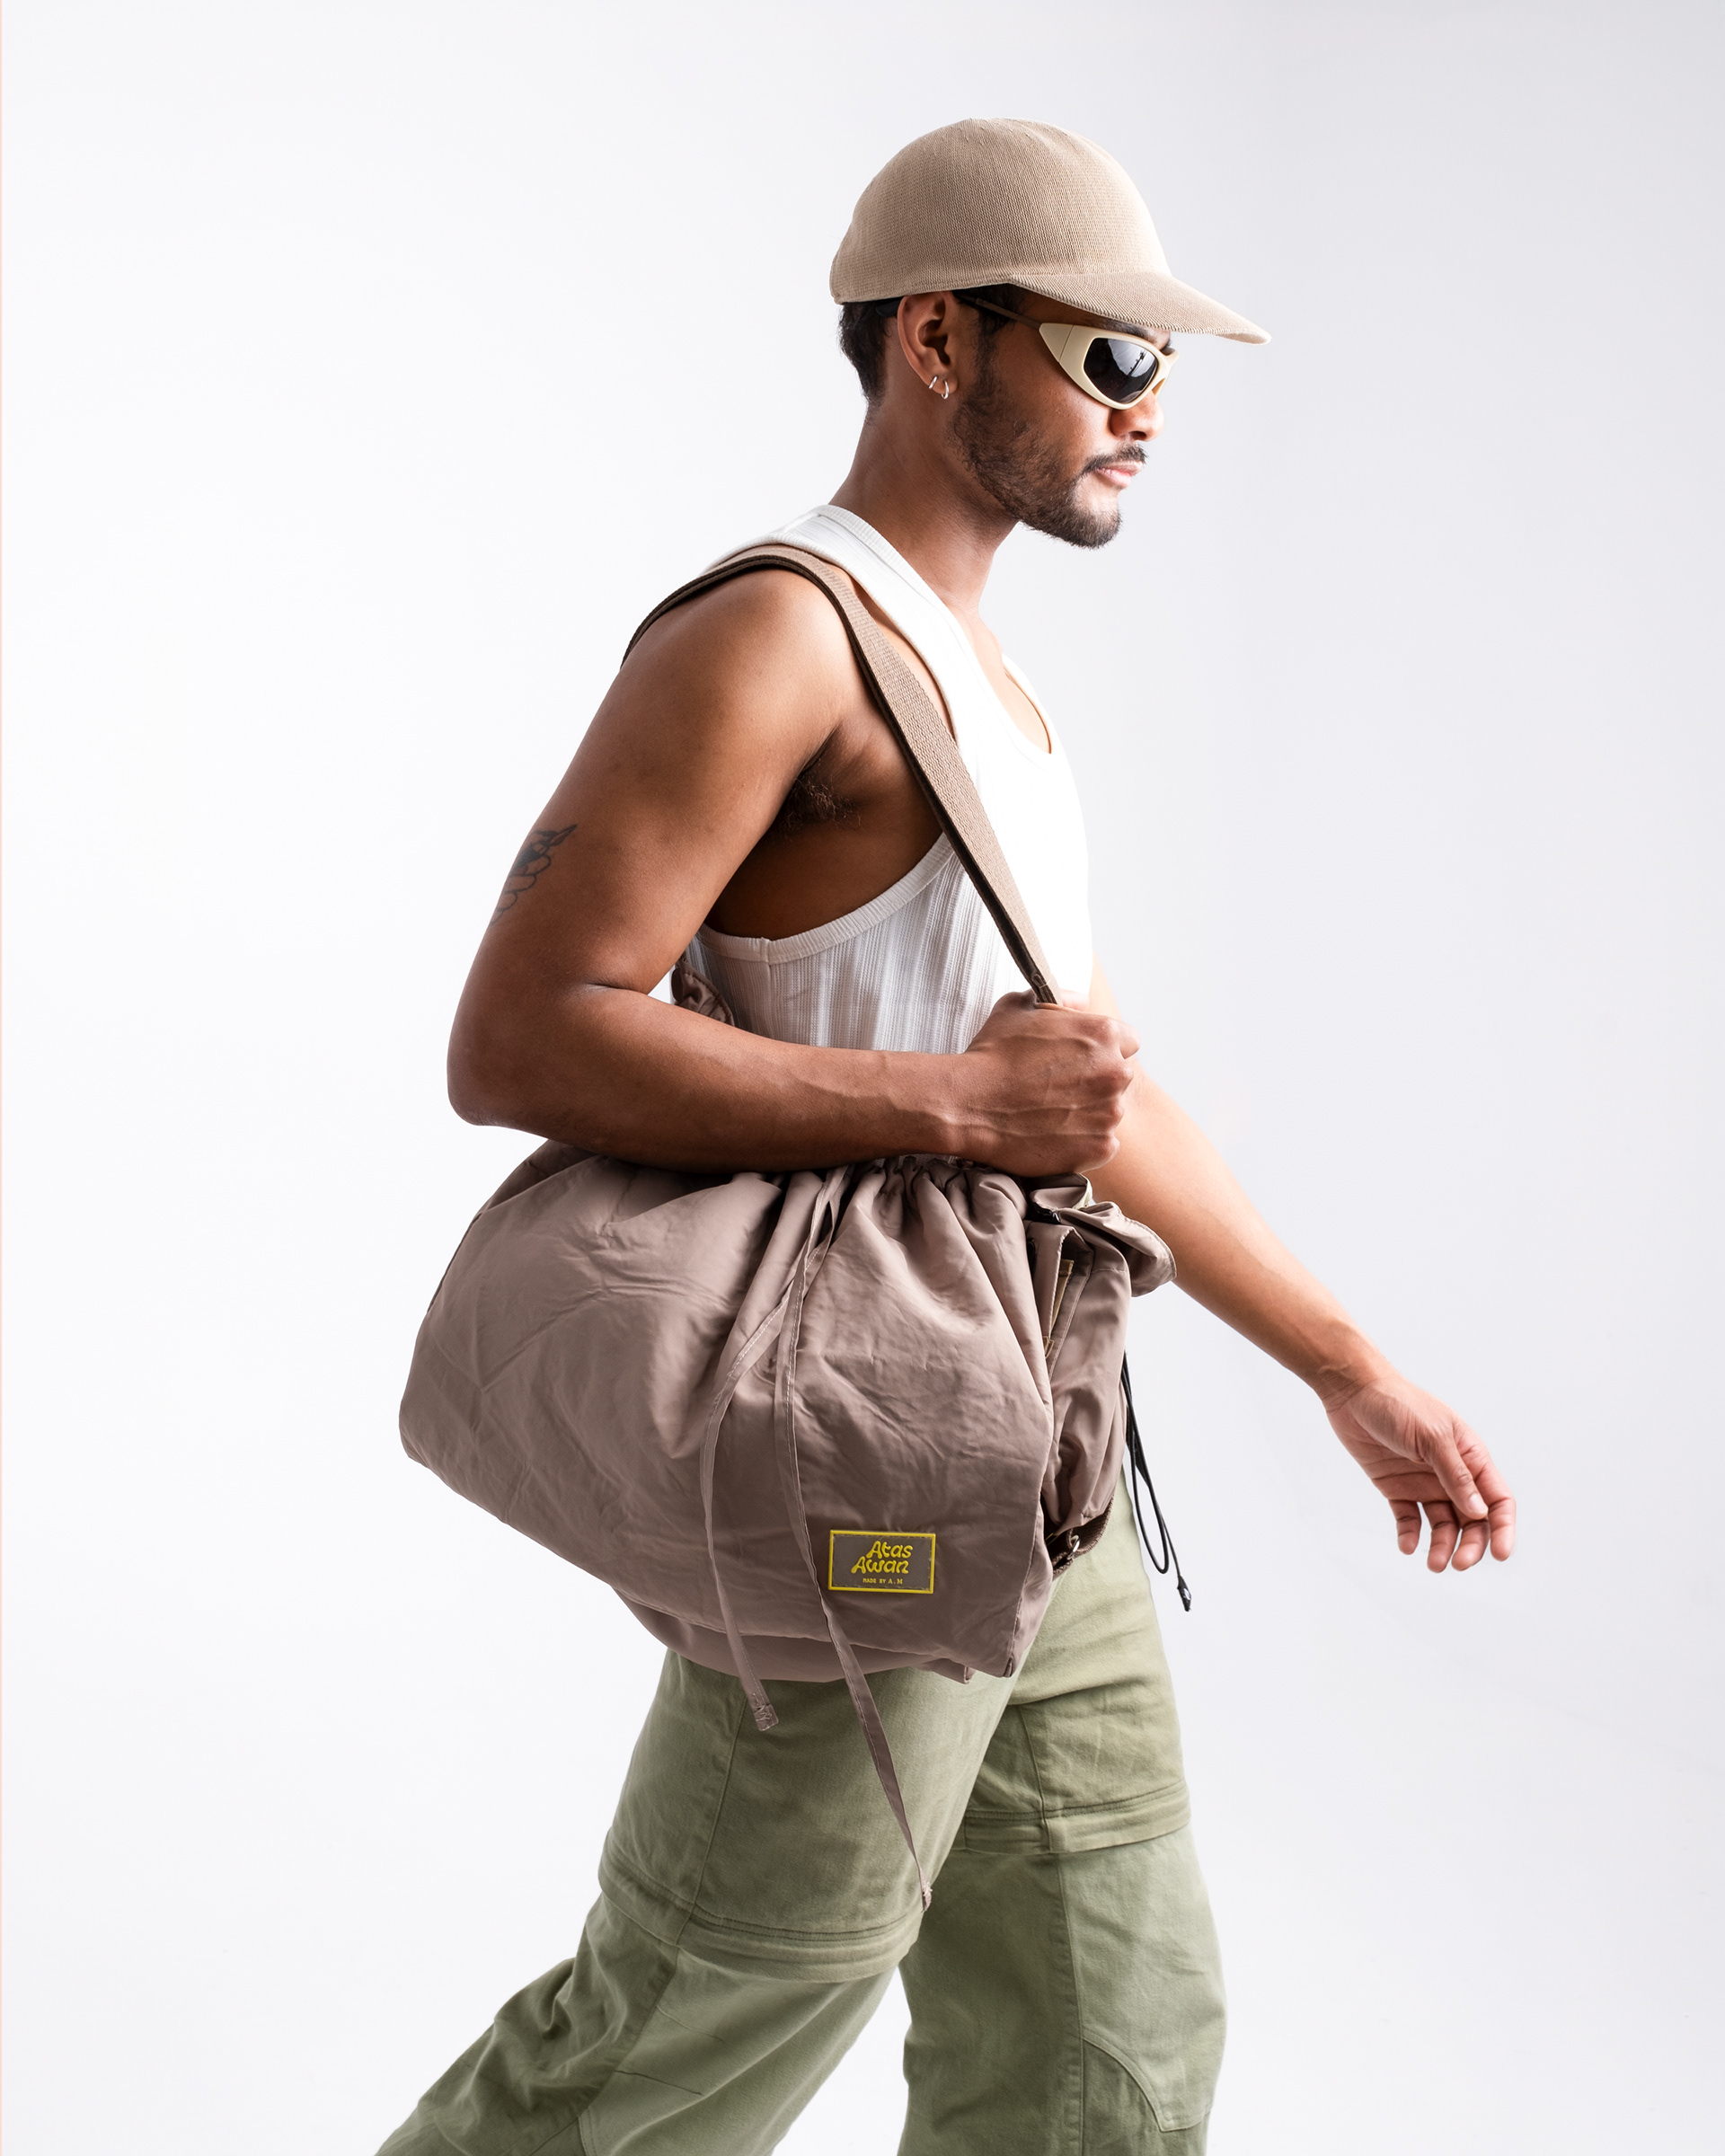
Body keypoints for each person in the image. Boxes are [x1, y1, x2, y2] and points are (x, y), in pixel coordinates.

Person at [378, 118, 1516, 2156]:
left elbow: (1089, 1107)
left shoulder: (987, 688)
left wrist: (1349, 1368)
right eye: (1110, 355)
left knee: (1107, 2033)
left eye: (1162, 369)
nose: (1147, 410)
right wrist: (957, 1108)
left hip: (1037, 1438)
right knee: (696, 2018)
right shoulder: (780, 632)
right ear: (934, 341)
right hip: (864, 1434)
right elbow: (520, 1033)